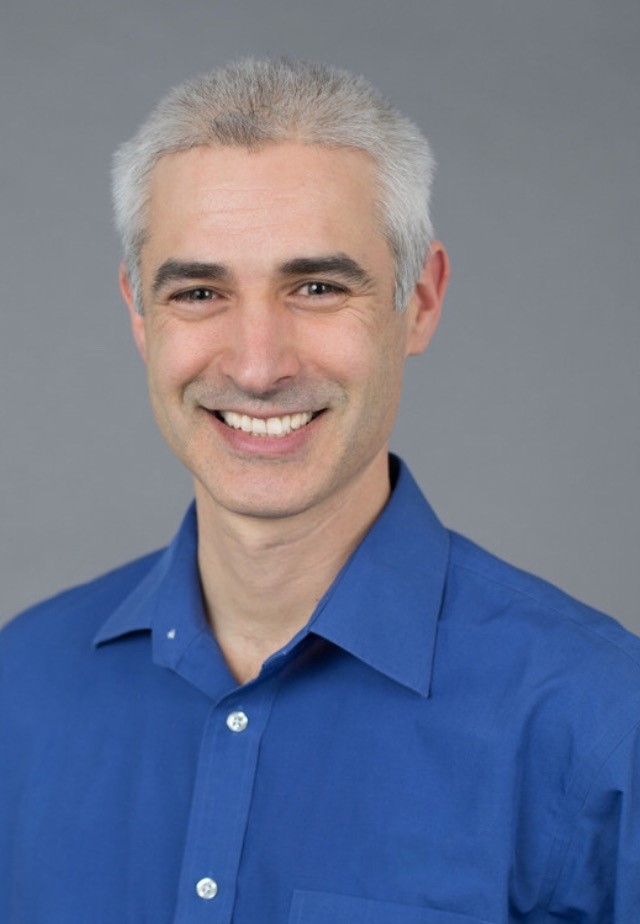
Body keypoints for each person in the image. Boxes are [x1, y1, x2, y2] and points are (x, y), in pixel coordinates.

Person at [1, 57, 639, 924]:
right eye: (198, 290)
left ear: (419, 301)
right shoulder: (20, 688)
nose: (258, 364)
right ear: (139, 315)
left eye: (316, 287)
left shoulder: (601, 723)